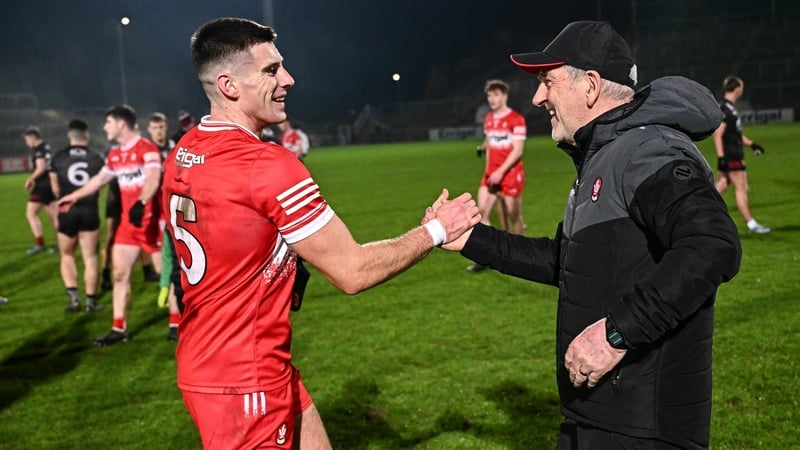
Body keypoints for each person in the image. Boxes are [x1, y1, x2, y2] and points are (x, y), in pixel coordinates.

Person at [161, 17, 479, 449]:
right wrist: (439, 229)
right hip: (245, 378)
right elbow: (352, 271)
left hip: (220, 360)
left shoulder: (185, 150)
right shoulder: (267, 165)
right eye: (271, 70)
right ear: (229, 85)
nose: (288, 80)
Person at [434, 21, 742, 449]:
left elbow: (713, 245)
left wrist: (617, 333)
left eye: (548, 82)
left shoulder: (649, 149)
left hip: (641, 427)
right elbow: (565, 261)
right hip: (597, 415)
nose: (539, 97)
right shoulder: (605, 156)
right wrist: (471, 239)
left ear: (591, 86)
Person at [57, 105, 163, 346]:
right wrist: (74, 196)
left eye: (108, 122)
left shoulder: (147, 149)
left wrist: (141, 202)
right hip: (128, 223)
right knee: (119, 274)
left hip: (151, 222)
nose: (105, 127)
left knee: (167, 277)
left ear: (121, 124)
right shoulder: (115, 155)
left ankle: (180, 323)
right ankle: (118, 328)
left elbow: (154, 179)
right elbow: (99, 180)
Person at [468, 79, 527, 272]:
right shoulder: (489, 119)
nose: (492, 99)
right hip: (491, 174)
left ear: (505, 96)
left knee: (513, 216)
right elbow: (489, 139)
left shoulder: (516, 120)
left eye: (496, 95)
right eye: (489, 95)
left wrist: (500, 172)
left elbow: (517, 151)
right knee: (481, 212)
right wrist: (483, 149)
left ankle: (520, 255)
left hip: (510, 174)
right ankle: (487, 256)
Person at [48, 119, 106, 313]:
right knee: (90, 257)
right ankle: (91, 301)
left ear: (69, 136)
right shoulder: (96, 158)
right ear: (86, 135)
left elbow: (55, 189)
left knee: (67, 254)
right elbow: (99, 188)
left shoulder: (58, 158)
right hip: (89, 211)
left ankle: (74, 299)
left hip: (67, 211)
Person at [713, 76, 771, 234]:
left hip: (731, 154)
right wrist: (721, 157)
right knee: (741, 187)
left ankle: (696, 209)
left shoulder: (730, 107)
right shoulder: (725, 108)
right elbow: (718, 134)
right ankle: (752, 224)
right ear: (737, 88)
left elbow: (735, 134)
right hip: (731, 155)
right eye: (742, 87)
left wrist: (752, 144)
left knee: (722, 184)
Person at [147, 111, 182, 341]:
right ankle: (175, 318)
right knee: (167, 268)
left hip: (174, 211)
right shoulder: (146, 152)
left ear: (166, 127)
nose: (159, 131)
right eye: (155, 128)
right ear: (149, 129)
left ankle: (175, 320)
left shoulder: (178, 147)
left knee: (177, 267)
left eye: (162, 127)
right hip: (154, 215)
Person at [22, 126, 58, 254]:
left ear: (33, 137)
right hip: (49, 183)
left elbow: (41, 167)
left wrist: (30, 179)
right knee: (53, 215)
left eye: (27, 140)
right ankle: (60, 243)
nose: (27, 143)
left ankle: (40, 244)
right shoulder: (47, 147)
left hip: (42, 185)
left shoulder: (38, 150)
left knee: (31, 213)